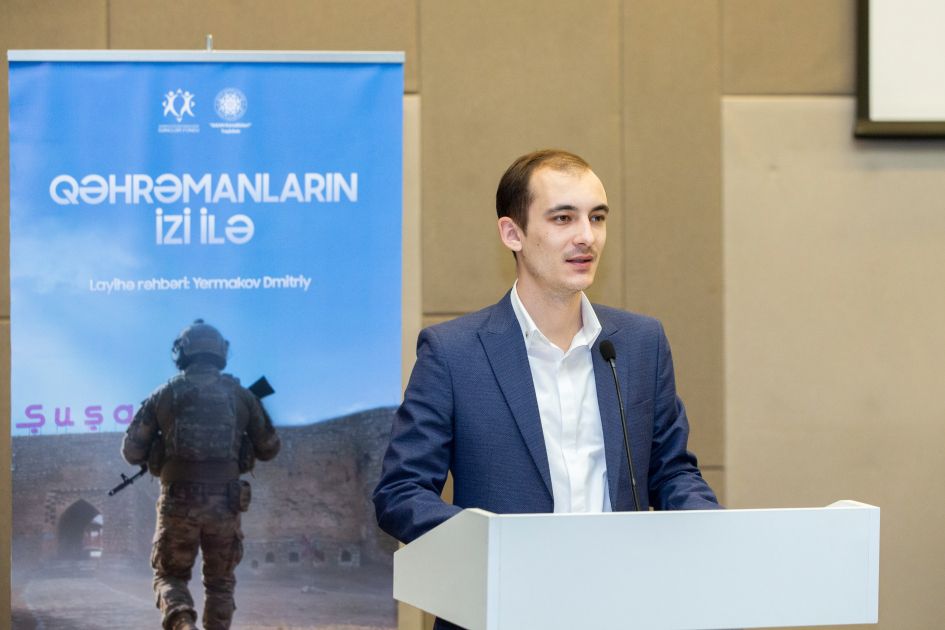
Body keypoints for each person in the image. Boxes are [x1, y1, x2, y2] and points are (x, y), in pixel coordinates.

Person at [374, 148, 718, 552]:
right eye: (563, 218)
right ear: (512, 234)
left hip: (621, 586)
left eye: (597, 218)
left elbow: (672, 474)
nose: (587, 237)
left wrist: (720, 532)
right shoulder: (453, 353)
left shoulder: (640, 344)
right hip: (508, 587)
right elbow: (402, 492)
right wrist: (498, 546)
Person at [122, 320, 280, 630]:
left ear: (181, 353)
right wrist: (249, 417)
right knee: (221, 583)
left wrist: (160, 445)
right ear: (220, 352)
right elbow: (269, 448)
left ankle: (182, 622)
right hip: (226, 502)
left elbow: (131, 451)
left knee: (169, 576)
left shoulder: (163, 394)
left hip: (178, 501)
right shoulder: (242, 396)